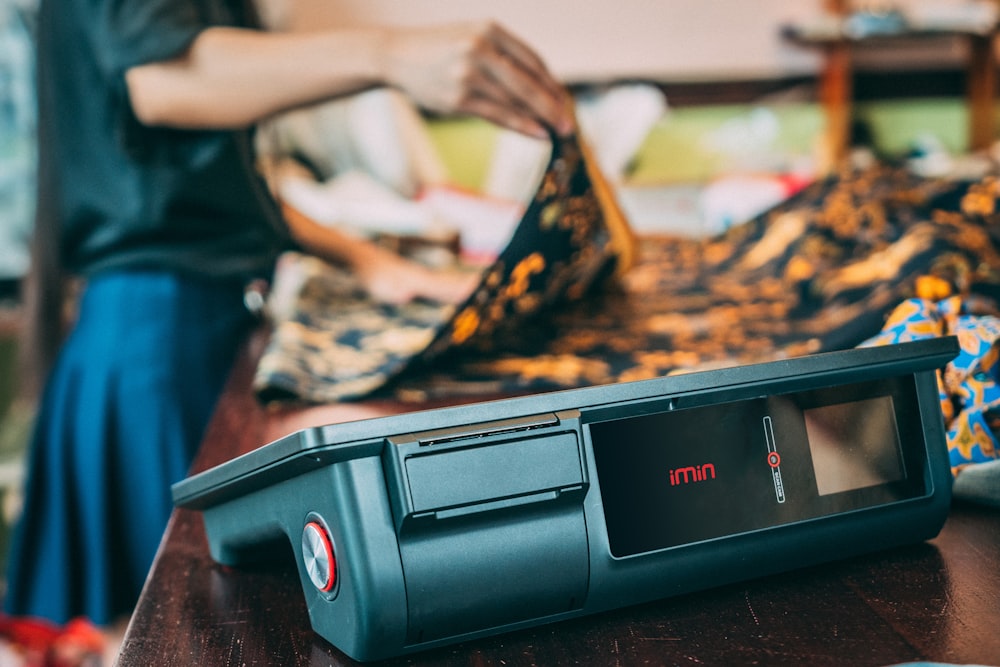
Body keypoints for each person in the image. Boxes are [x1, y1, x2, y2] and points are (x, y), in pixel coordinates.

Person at [3, 0, 573, 644]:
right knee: (193, 629)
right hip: (158, 345)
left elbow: (208, 189)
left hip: (179, 327)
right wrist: (385, 55)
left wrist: (366, 260)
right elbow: (160, 79)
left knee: (176, 629)